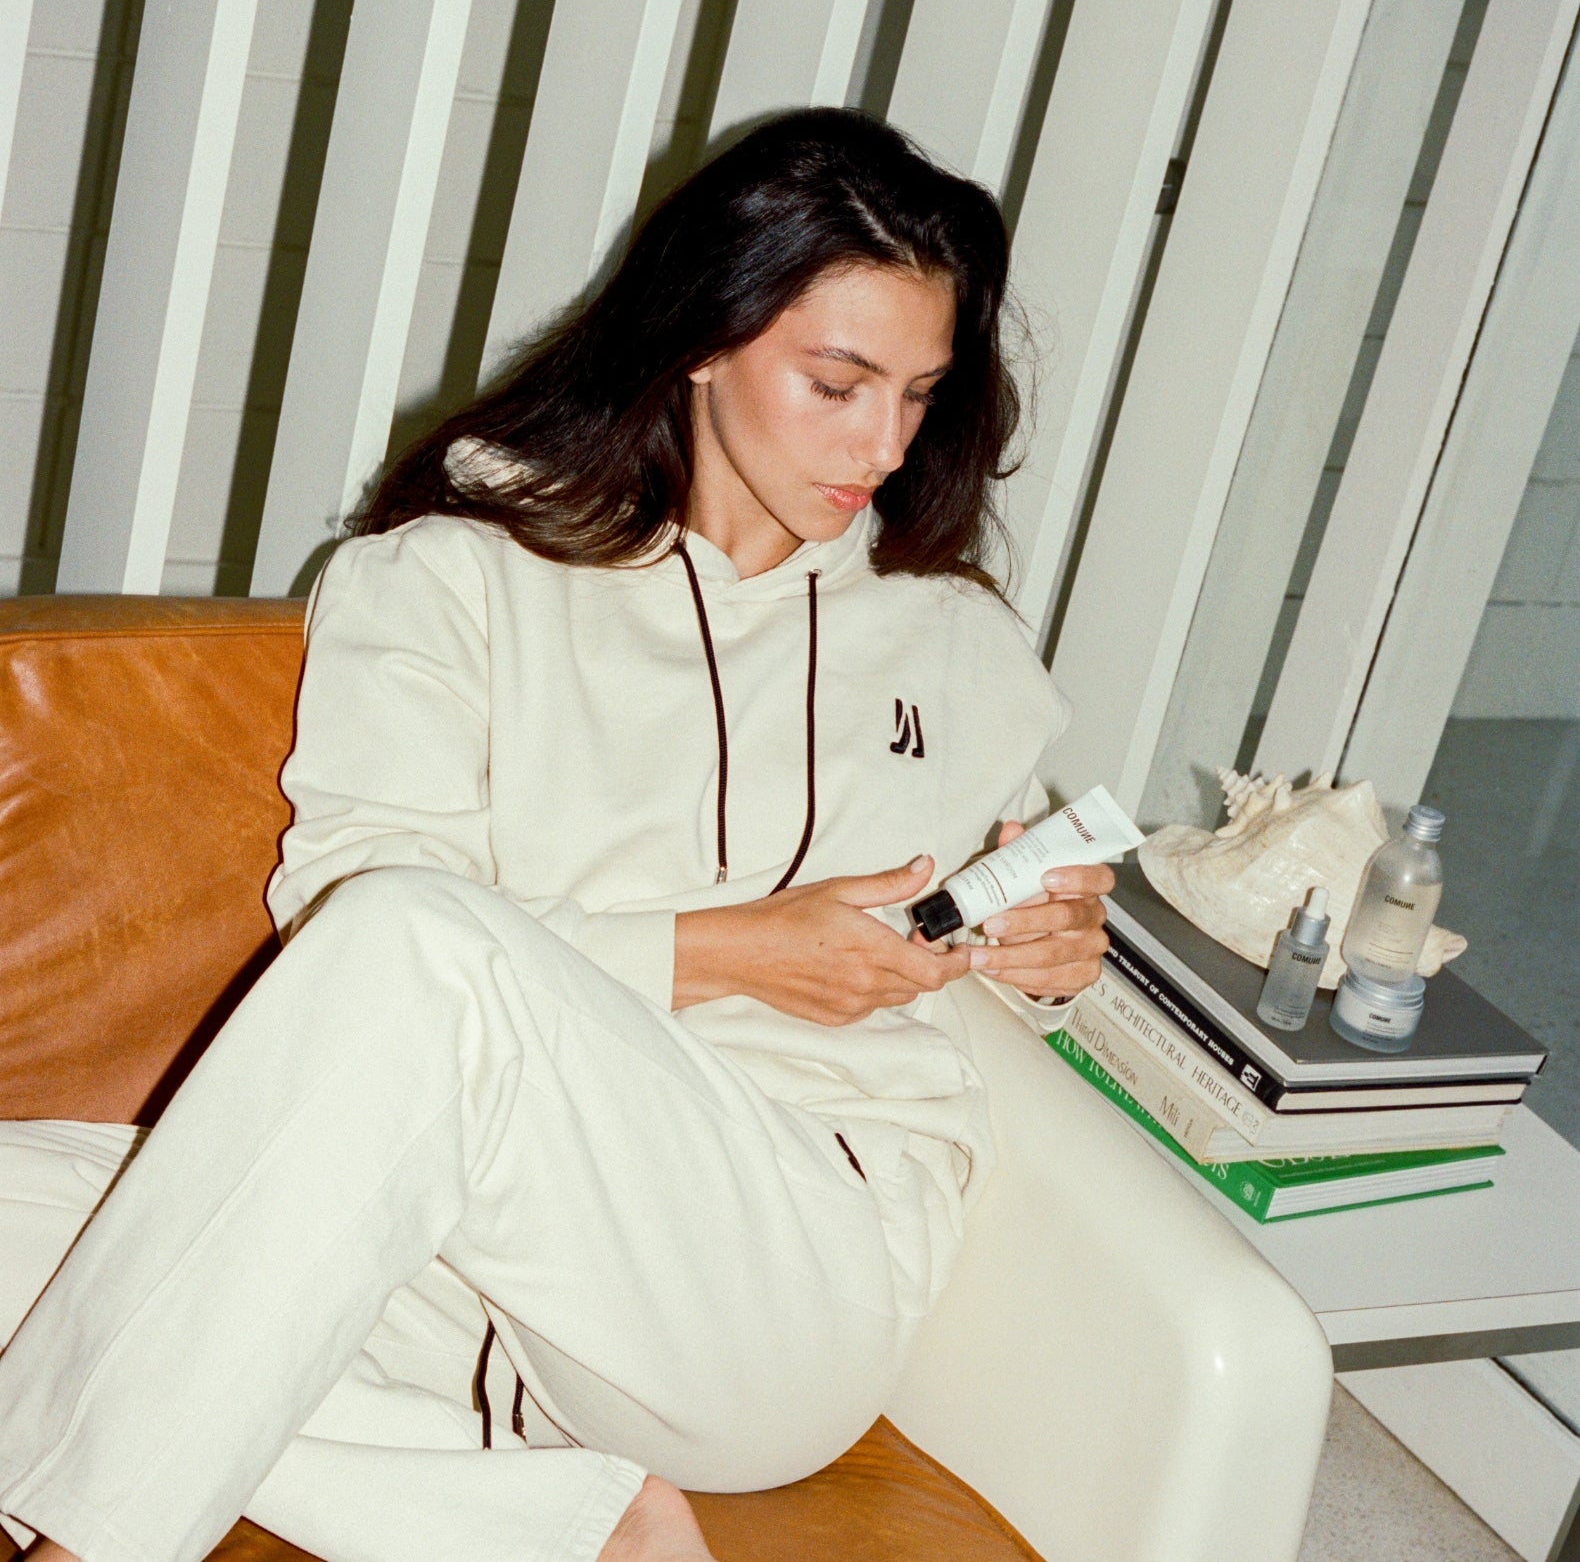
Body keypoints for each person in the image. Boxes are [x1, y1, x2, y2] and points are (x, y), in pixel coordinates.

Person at [0, 107, 1112, 1562]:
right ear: (705, 338)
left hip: (777, 1276)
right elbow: (352, 925)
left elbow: (987, 950)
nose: (882, 446)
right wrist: (728, 953)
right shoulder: (448, 577)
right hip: (470, 1268)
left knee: (419, 949)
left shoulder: (956, 643)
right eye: (836, 384)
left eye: (917, 393)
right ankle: (570, 1525)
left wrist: (1049, 958)